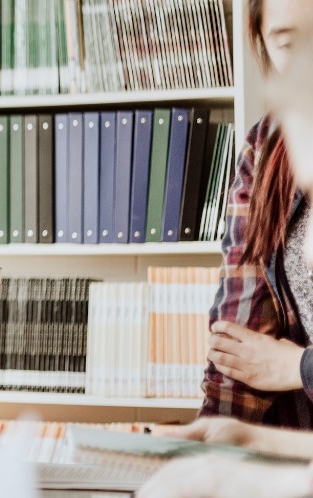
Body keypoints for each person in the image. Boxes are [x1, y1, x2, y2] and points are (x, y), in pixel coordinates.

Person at [200, 0, 313, 429]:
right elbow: (240, 346)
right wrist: (215, 441)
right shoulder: (269, 146)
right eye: (288, 43)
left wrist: (298, 367)